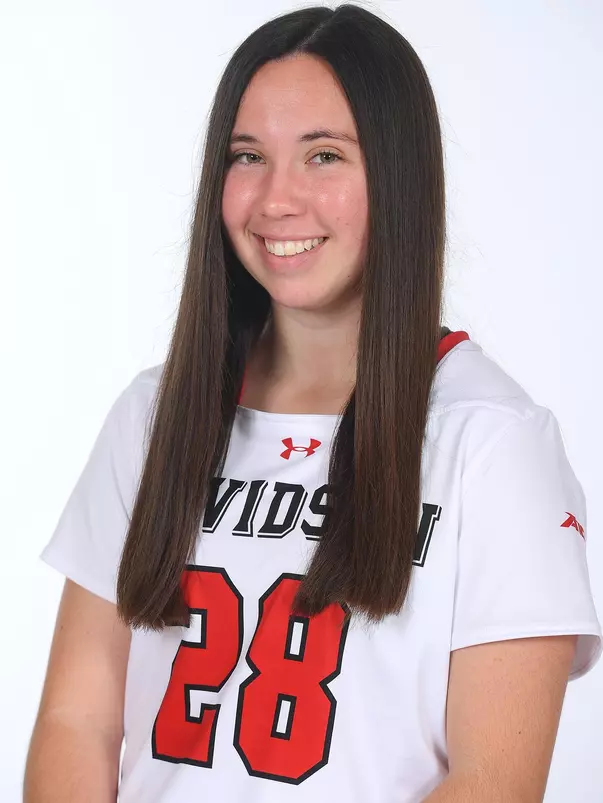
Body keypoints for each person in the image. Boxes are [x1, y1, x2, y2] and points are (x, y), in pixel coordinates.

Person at [24, 4, 601, 802]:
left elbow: (493, 782)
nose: (275, 200)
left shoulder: (491, 440)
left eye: (323, 155)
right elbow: (75, 721)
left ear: (397, 176)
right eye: (247, 156)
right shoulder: (154, 416)